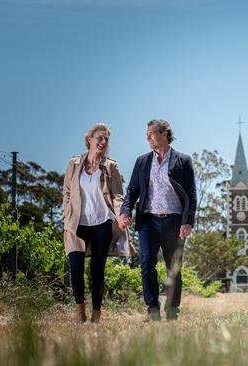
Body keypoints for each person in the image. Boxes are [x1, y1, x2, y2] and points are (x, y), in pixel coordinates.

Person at [119, 119, 196, 321]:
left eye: (151, 133)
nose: (148, 137)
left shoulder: (183, 160)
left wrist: (188, 221)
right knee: (146, 264)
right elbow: (132, 191)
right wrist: (125, 211)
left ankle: (172, 309)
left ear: (164, 134)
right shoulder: (142, 161)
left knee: (173, 267)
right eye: (147, 134)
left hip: (174, 222)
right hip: (148, 222)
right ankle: (152, 309)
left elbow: (191, 194)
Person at [62, 123, 132, 323]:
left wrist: (121, 214)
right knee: (75, 266)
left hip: (102, 222)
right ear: (89, 140)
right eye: (99, 138)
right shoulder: (74, 164)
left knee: (97, 269)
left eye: (106, 139)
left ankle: (96, 313)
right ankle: (79, 311)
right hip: (77, 223)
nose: (103, 142)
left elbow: (118, 195)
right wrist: (67, 215)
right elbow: (66, 192)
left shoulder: (111, 166)